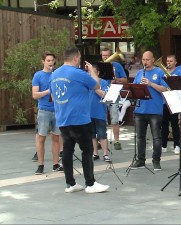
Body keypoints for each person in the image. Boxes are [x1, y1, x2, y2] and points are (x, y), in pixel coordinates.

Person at [50, 45, 109, 193]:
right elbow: (96, 85)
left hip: (62, 118)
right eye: (79, 58)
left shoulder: (54, 74)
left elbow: (53, 96)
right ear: (76, 58)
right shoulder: (78, 73)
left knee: (68, 151)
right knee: (87, 149)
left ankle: (70, 184)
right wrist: (92, 72)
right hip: (79, 119)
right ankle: (90, 183)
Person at [129, 51, 169, 171]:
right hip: (140, 109)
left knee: (156, 137)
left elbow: (165, 89)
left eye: (147, 59)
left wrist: (150, 84)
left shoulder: (159, 72)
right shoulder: (140, 73)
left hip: (155, 109)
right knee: (140, 137)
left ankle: (156, 160)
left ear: (153, 60)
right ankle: (140, 160)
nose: (145, 62)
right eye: (143, 60)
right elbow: (133, 89)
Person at [32, 51, 63, 175]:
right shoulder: (38, 75)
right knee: (41, 138)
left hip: (57, 109)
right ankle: (40, 165)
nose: (51, 63)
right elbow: (35, 94)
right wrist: (48, 91)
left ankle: (55, 164)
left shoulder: (56, 74)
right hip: (44, 110)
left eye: (52, 60)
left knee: (56, 138)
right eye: (48, 60)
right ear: (43, 61)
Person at [101, 48, 128, 150]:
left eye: (107, 55)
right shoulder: (99, 66)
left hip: (114, 93)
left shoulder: (117, 66)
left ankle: (116, 141)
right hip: (102, 94)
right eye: (103, 56)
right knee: (102, 119)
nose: (105, 57)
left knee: (115, 119)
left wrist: (116, 79)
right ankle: (102, 140)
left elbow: (125, 80)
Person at [89, 64, 111, 162]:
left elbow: (105, 95)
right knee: (92, 134)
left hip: (100, 112)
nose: (90, 73)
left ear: (97, 73)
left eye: (92, 71)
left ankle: (105, 154)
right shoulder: (87, 82)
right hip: (89, 112)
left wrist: (96, 88)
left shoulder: (104, 82)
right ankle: (95, 153)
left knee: (102, 134)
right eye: (89, 71)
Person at [161, 54, 181, 154]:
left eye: (171, 61)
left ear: (175, 62)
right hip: (164, 100)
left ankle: (177, 145)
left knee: (174, 124)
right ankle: (163, 145)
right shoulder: (163, 72)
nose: (168, 63)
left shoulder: (179, 72)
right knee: (164, 124)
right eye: (167, 61)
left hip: (174, 101)